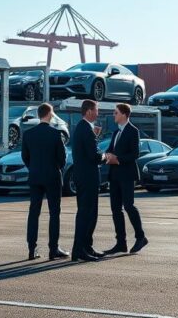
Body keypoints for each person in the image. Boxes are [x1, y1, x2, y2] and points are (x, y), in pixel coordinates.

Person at [21, 103, 69, 261]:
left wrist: (34, 168)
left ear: (38, 115)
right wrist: (54, 167)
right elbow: (62, 159)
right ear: (49, 114)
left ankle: (31, 249)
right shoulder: (56, 134)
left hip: (34, 176)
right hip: (52, 177)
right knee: (54, 213)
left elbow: (25, 157)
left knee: (33, 213)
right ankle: (53, 249)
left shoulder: (28, 134)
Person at [103, 103, 148, 255]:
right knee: (115, 209)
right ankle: (121, 243)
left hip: (127, 174)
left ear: (123, 114)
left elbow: (135, 154)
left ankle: (141, 237)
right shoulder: (116, 132)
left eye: (115, 113)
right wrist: (108, 155)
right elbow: (110, 149)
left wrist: (118, 159)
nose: (114, 115)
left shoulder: (133, 131)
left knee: (129, 206)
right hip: (114, 174)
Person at [70, 99, 104, 262]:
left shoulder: (83, 128)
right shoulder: (85, 129)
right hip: (87, 178)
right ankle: (79, 249)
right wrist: (106, 156)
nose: (98, 113)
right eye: (96, 110)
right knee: (86, 214)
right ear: (89, 111)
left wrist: (95, 138)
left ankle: (86, 246)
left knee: (89, 213)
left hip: (83, 177)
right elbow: (94, 155)